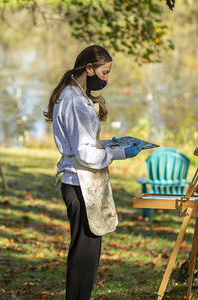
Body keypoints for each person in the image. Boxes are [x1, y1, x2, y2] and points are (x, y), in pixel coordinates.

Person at [43, 45, 143, 300]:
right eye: (104, 72)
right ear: (89, 69)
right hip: (80, 185)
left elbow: (83, 144)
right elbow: (85, 154)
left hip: (80, 183)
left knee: (86, 255)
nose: (106, 79)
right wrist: (120, 153)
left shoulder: (73, 95)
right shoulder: (75, 101)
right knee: (84, 258)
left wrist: (107, 145)